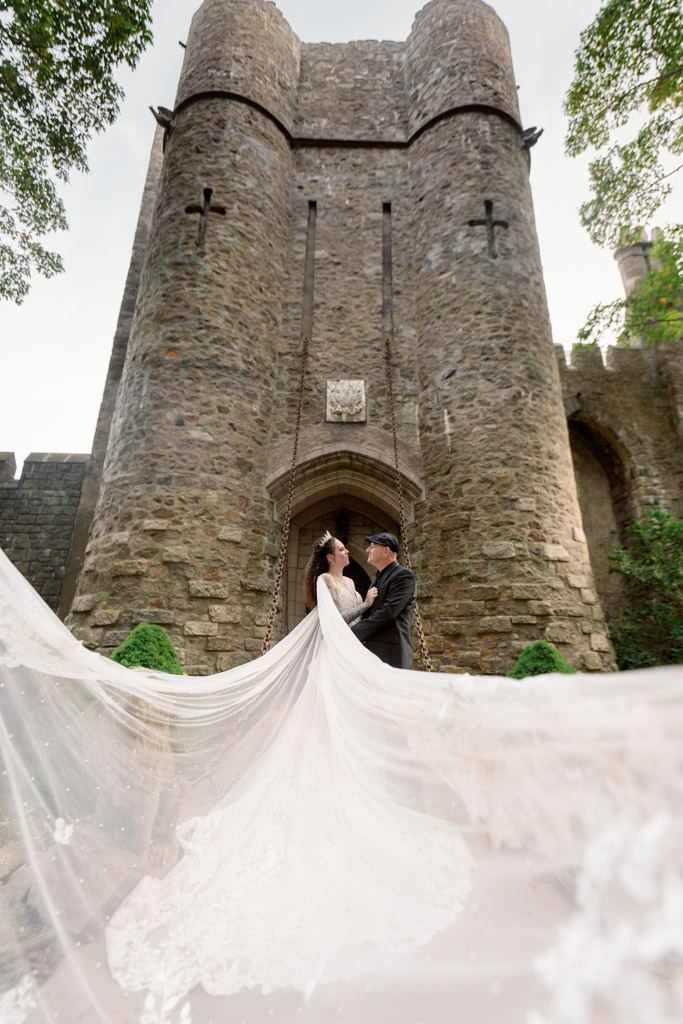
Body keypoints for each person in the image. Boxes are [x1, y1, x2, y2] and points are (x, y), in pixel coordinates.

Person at [0, 542, 682, 1024]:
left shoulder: (370, 581)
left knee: (352, 746)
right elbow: (338, 620)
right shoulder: (333, 588)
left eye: (347, 553)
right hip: (339, 666)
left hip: (357, 661)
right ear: (326, 561)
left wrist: (367, 606)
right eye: (336, 553)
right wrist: (357, 612)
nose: (343, 557)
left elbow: (371, 610)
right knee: (325, 743)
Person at [350, 532, 417, 668]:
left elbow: (388, 612)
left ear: (386, 551)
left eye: (373, 547)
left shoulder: (403, 576)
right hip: (372, 652)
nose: (368, 550)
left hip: (392, 653)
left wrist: (352, 632)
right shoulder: (376, 580)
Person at [303, 529, 378, 624]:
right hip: (337, 637)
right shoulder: (326, 578)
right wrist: (366, 604)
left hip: (355, 635)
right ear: (330, 557)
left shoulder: (350, 581)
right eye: (342, 549)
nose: (347, 551)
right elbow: (334, 618)